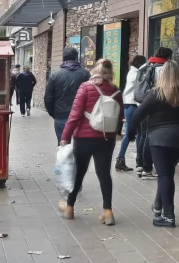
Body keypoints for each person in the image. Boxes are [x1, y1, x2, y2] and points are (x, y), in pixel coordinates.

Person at [128, 61, 179, 227]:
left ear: (162, 75)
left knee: (164, 175)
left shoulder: (155, 94)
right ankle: (158, 206)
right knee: (167, 172)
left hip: (160, 140)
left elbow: (138, 114)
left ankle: (168, 216)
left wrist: (131, 133)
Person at [59, 59, 124, 225]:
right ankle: (108, 211)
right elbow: (120, 117)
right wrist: (114, 134)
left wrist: (65, 137)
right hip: (106, 138)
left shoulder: (85, 87)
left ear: (95, 71)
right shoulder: (116, 91)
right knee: (104, 174)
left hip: (84, 138)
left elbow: (75, 115)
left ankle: (69, 207)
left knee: (79, 173)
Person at [135, 47, 172, 180]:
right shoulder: (163, 69)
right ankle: (147, 169)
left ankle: (140, 165)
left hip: (142, 104)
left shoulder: (145, 66)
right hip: (155, 106)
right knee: (149, 136)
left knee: (144, 135)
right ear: (168, 57)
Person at [45, 47, 90, 144]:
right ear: (76, 58)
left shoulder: (55, 75)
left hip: (61, 115)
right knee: (79, 146)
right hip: (81, 116)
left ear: (63, 59)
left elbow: (48, 98)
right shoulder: (85, 74)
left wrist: (54, 113)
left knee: (63, 146)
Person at [115, 54, 147, 172]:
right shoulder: (136, 74)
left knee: (138, 133)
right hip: (132, 106)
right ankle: (120, 159)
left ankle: (139, 161)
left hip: (130, 105)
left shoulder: (132, 73)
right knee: (130, 133)